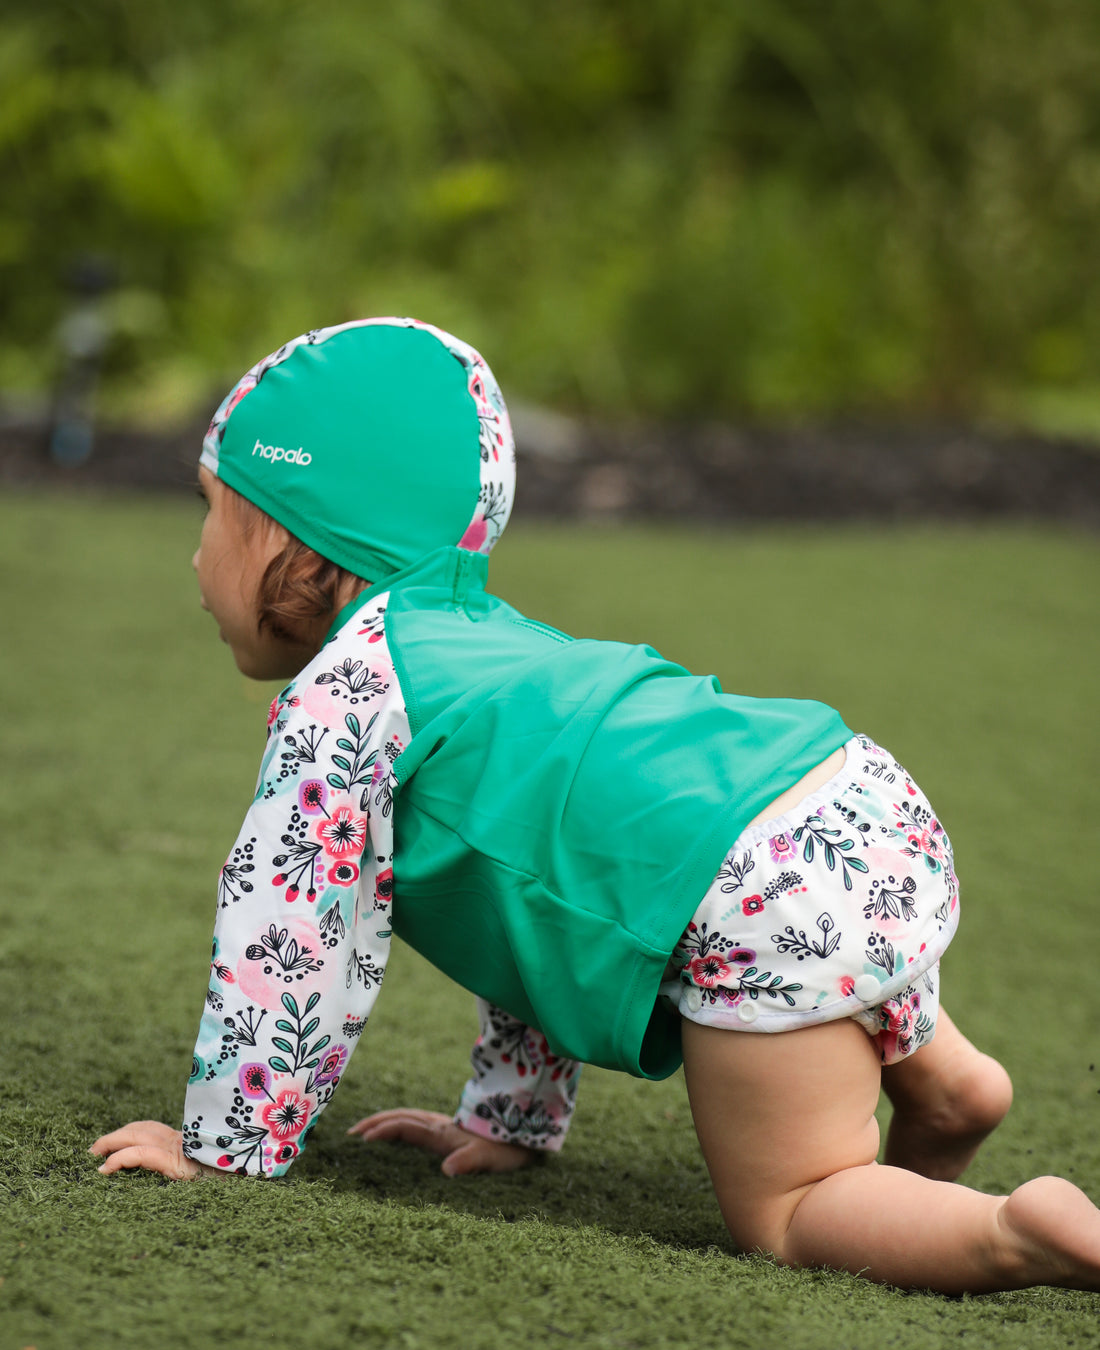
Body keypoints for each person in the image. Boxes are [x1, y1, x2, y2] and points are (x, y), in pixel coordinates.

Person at [90, 317, 1100, 1295]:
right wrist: (510, 1119)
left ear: (295, 540)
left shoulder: (344, 700)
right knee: (826, 938)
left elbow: (292, 933)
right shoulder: (488, 642)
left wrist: (225, 1144)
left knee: (794, 1203)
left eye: (210, 514)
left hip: (753, 884)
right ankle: (948, 1081)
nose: (192, 557)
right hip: (839, 792)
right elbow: (527, 894)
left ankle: (1015, 1232)